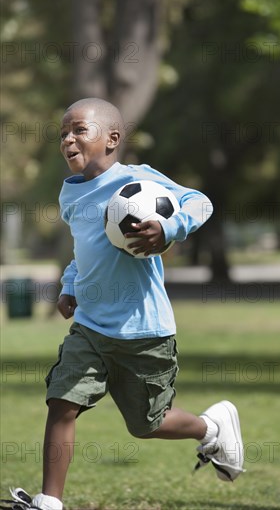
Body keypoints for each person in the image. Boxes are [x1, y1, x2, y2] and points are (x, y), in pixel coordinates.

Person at [7, 98, 244, 510]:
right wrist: (70, 286)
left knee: (147, 425)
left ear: (113, 138)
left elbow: (200, 203)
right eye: (63, 132)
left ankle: (211, 427)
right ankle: (49, 501)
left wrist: (168, 228)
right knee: (62, 401)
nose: (68, 139)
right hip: (91, 328)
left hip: (144, 333)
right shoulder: (71, 195)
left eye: (80, 129)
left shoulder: (139, 179)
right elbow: (85, 251)